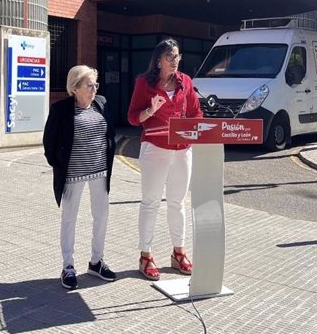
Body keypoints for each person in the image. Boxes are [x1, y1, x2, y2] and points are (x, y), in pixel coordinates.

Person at [127, 38, 203, 280]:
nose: (175, 61)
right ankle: (146, 255)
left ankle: (178, 252)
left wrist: (192, 128)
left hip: (182, 149)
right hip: (155, 148)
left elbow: (196, 113)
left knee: (177, 202)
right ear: (158, 60)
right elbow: (132, 118)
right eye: (170, 57)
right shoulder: (144, 83)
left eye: (178, 56)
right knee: (150, 202)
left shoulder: (186, 82)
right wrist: (151, 110)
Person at [43, 65, 117, 290]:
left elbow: (109, 133)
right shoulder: (61, 110)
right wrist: (60, 164)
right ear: (75, 88)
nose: (94, 89)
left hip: (100, 171)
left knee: (101, 216)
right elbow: (50, 143)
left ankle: (96, 261)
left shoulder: (100, 104)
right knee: (69, 218)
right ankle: (68, 266)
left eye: (96, 84)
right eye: (89, 85)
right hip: (74, 174)